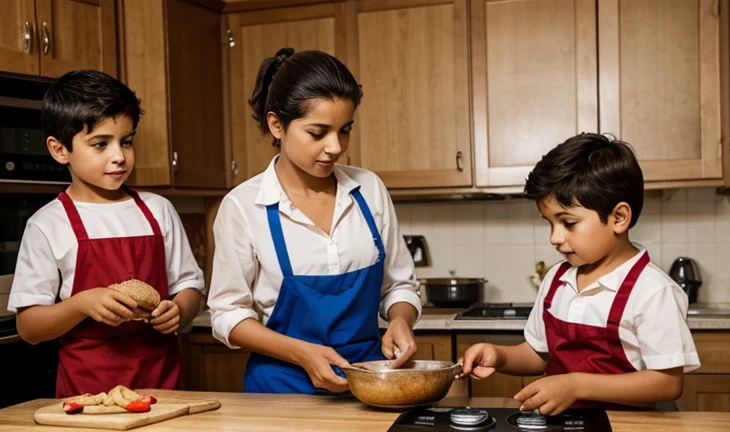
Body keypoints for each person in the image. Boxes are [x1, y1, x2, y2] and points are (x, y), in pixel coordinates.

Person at [207, 48, 422, 395]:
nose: (335, 147)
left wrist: (400, 319)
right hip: (280, 391)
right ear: (277, 125)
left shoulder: (368, 189)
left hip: (369, 383)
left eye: (345, 130)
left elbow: (399, 285)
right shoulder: (244, 207)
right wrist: (303, 354)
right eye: (318, 133)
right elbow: (227, 316)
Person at [460, 133, 700, 414]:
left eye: (568, 223)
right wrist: (499, 355)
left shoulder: (653, 292)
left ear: (619, 218)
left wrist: (576, 386)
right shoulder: (557, 280)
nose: (554, 237)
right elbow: (538, 355)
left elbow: (667, 384)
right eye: (549, 223)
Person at [8, 70, 205, 397]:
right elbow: (29, 328)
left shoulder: (158, 210)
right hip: (87, 396)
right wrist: (82, 304)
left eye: (126, 141)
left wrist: (180, 310)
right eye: (101, 144)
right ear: (60, 150)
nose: (119, 156)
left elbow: (190, 285)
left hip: (163, 388)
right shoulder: (49, 224)